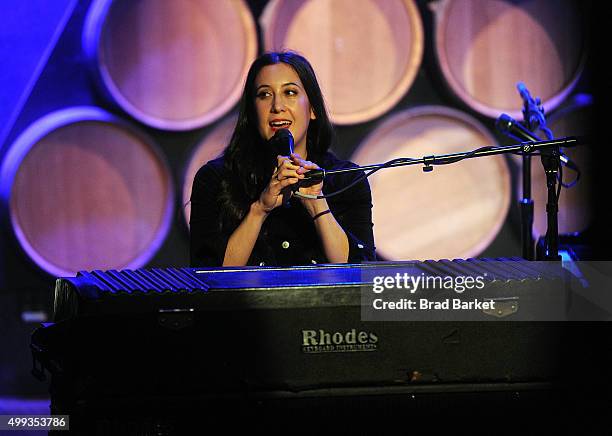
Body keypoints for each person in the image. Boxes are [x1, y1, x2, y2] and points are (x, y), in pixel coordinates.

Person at [189, 51, 375, 267]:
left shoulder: (346, 179)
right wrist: (260, 209)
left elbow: (360, 275)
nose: (277, 106)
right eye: (264, 95)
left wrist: (316, 202)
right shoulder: (215, 179)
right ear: (252, 111)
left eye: (290, 92)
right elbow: (209, 277)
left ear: (312, 109)